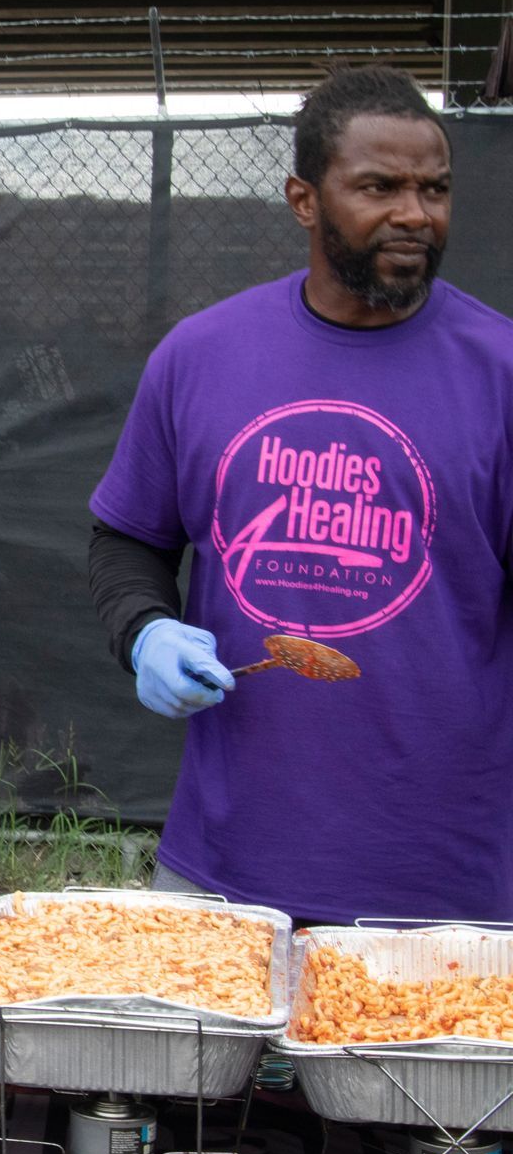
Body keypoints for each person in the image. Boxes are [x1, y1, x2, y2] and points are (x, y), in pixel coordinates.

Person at [89, 64, 513, 925]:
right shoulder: (200, 356)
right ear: (304, 200)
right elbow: (127, 538)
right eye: (379, 187)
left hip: (446, 886)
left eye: (434, 189)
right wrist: (145, 633)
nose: (415, 215)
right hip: (224, 866)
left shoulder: (500, 372)